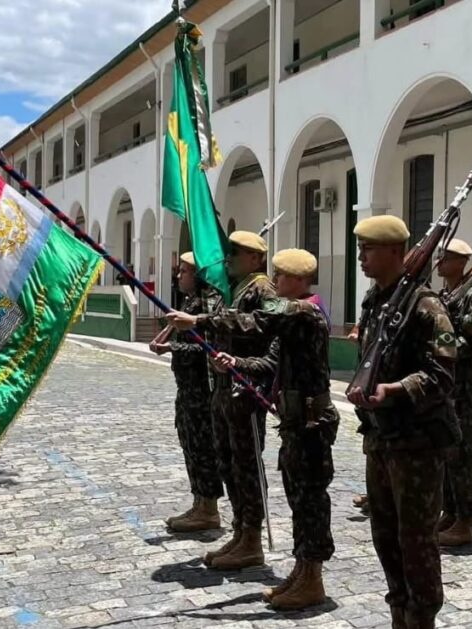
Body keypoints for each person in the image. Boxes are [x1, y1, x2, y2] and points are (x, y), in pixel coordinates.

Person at [169, 248, 337, 609]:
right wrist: (236, 362)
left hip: (311, 421)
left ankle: (312, 578)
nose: (275, 282)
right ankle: (302, 572)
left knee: (310, 501)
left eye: (281, 276)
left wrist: (197, 321)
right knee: (298, 499)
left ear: (299, 280)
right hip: (295, 421)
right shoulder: (290, 315)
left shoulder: (303, 311)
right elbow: (270, 361)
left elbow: (254, 320)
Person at [345, 215, 458, 629]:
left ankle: (421, 618)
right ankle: (399, 614)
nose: (361, 257)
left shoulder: (426, 306)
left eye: (369, 249)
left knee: (416, 543)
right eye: (359, 249)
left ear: (396, 251)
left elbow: (443, 375)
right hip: (381, 438)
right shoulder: (375, 302)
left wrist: (394, 390)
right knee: (386, 538)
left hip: (417, 443)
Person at [196, 230, 276, 570]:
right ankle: (241, 530)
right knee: (228, 463)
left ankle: (252, 538)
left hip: (246, 389)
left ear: (255, 258)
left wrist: (204, 320)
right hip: (224, 386)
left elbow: (264, 323)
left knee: (246, 466)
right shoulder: (236, 288)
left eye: (237, 253)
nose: (228, 258)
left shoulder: (263, 289)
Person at [149, 252, 223, 532]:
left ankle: (209, 509)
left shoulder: (207, 307)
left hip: (202, 391)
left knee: (203, 449)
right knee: (190, 446)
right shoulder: (189, 303)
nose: (178, 276)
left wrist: (173, 348)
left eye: (184, 271)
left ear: (199, 275)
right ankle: (199, 503)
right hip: (186, 389)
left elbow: (209, 351)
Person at [435, 239, 472, 546]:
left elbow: (468, 343)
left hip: (462, 388)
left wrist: (437, 350)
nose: (439, 263)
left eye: (446, 258)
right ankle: (450, 511)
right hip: (444, 386)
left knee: (462, 454)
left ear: (461, 263)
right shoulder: (444, 296)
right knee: (445, 453)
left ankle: (465, 520)